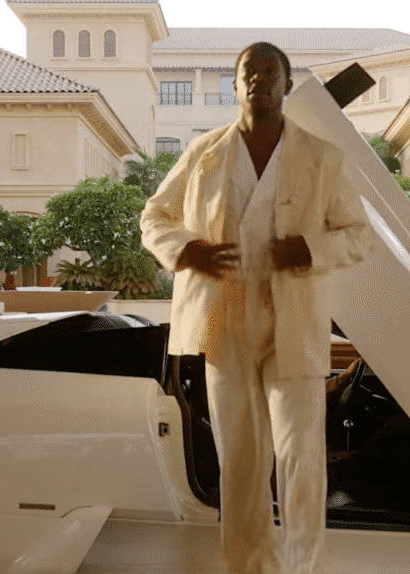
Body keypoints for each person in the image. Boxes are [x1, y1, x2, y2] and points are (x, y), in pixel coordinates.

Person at [141, 42, 372, 574]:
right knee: (241, 460)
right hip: (224, 318)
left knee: (299, 454)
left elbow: (359, 237)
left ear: (287, 85)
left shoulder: (322, 156)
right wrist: (187, 250)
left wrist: (309, 249)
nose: (259, 80)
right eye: (249, 72)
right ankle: (247, 567)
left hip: (293, 317)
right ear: (236, 83)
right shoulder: (203, 154)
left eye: (271, 72)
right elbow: (155, 217)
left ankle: (302, 566)